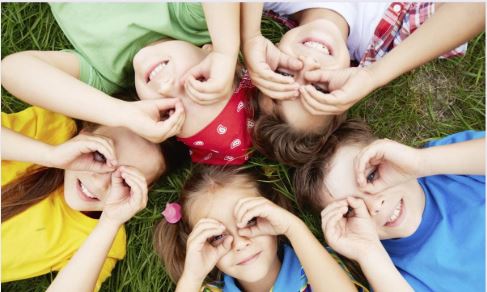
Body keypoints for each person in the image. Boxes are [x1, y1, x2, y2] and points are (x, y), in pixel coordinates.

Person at [1, 3, 255, 165]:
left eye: (168, 111)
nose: (166, 88)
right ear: (208, 51)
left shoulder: (104, 74)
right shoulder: (190, 18)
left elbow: (13, 70)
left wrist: (121, 113)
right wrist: (225, 50)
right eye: (199, 81)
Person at [241, 2, 485, 166]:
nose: (307, 66)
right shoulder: (391, 37)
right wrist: (373, 76)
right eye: (319, 88)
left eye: (284, 74)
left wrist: (249, 35)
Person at [293, 120, 485, 291]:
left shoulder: (447, 165)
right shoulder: (389, 275)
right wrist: (369, 253)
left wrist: (420, 162)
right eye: (351, 210)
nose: (375, 205)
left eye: (371, 176)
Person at [1, 106, 172, 291]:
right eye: (100, 155)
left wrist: (110, 222)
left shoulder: (102, 239)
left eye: (125, 181)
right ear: (84, 135)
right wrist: (50, 155)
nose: (100, 183)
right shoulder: (50, 130)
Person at [153, 165, 368, 291]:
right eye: (217, 236)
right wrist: (191, 276)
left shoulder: (315, 265)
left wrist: (294, 228)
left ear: (273, 214)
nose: (240, 244)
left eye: (250, 220)